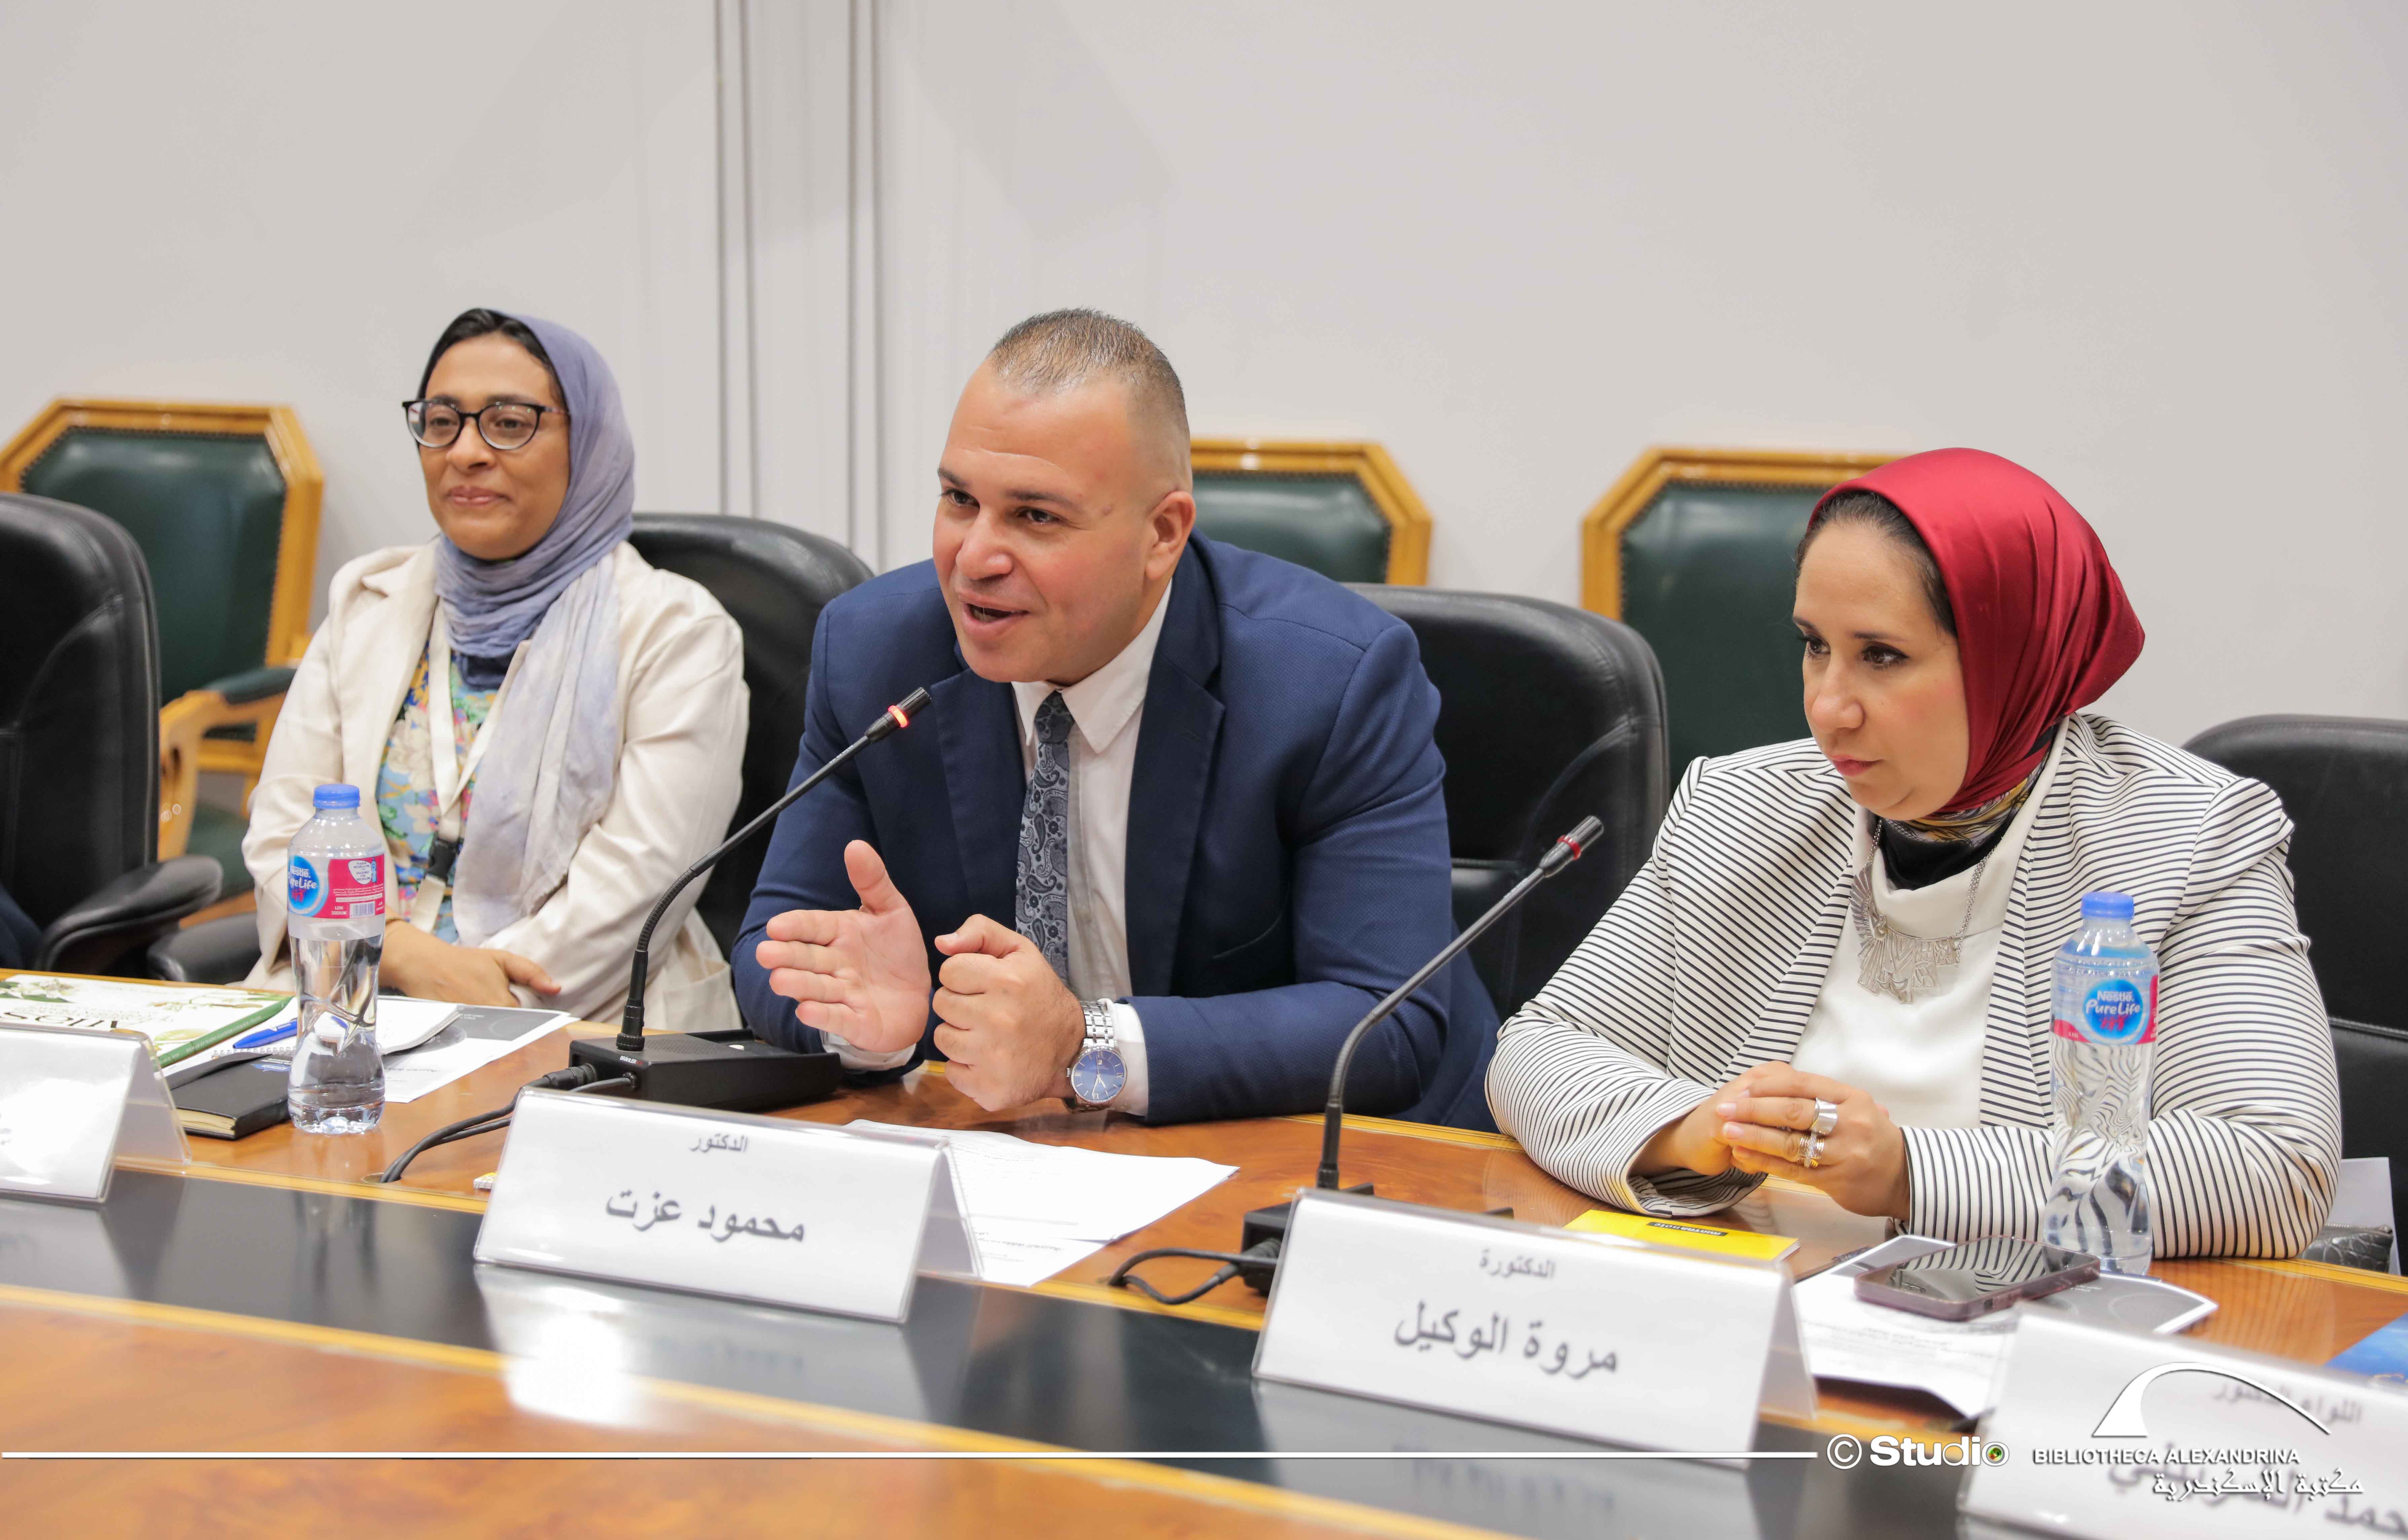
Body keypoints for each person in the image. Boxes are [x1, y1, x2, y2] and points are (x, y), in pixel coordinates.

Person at [1487, 448, 2340, 1256]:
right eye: (1814, 645)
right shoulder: (1743, 806)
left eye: (1882, 657)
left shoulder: (2185, 835)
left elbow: (2273, 1165)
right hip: (1752, 1294)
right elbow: (1539, 1049)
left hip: (2024, 1318)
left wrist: (1908, 1171)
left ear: (2015, 660)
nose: (1829, 708)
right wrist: (1690, 1131)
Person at [735, 309, 1496, 1125]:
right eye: (960, 499)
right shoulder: (875, 653)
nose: (974, 558)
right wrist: (867, 1028)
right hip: (1016, 1153)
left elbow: (1386, 1022)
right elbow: (774, 942)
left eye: (1035, 516)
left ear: (1162, 534)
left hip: (1326, 1151)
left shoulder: (1332, 682)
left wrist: (1083, 1047)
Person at [243, 309, 748, 1026]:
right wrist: (395, 952)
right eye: (442, 422)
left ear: (588, 445)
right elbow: (284, 834)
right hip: (350, 999)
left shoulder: (678, 634)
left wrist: (476, 1004)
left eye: (509, 423)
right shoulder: (367, 603)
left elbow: (635, 891)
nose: (467, 452)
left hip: (579, 1022)